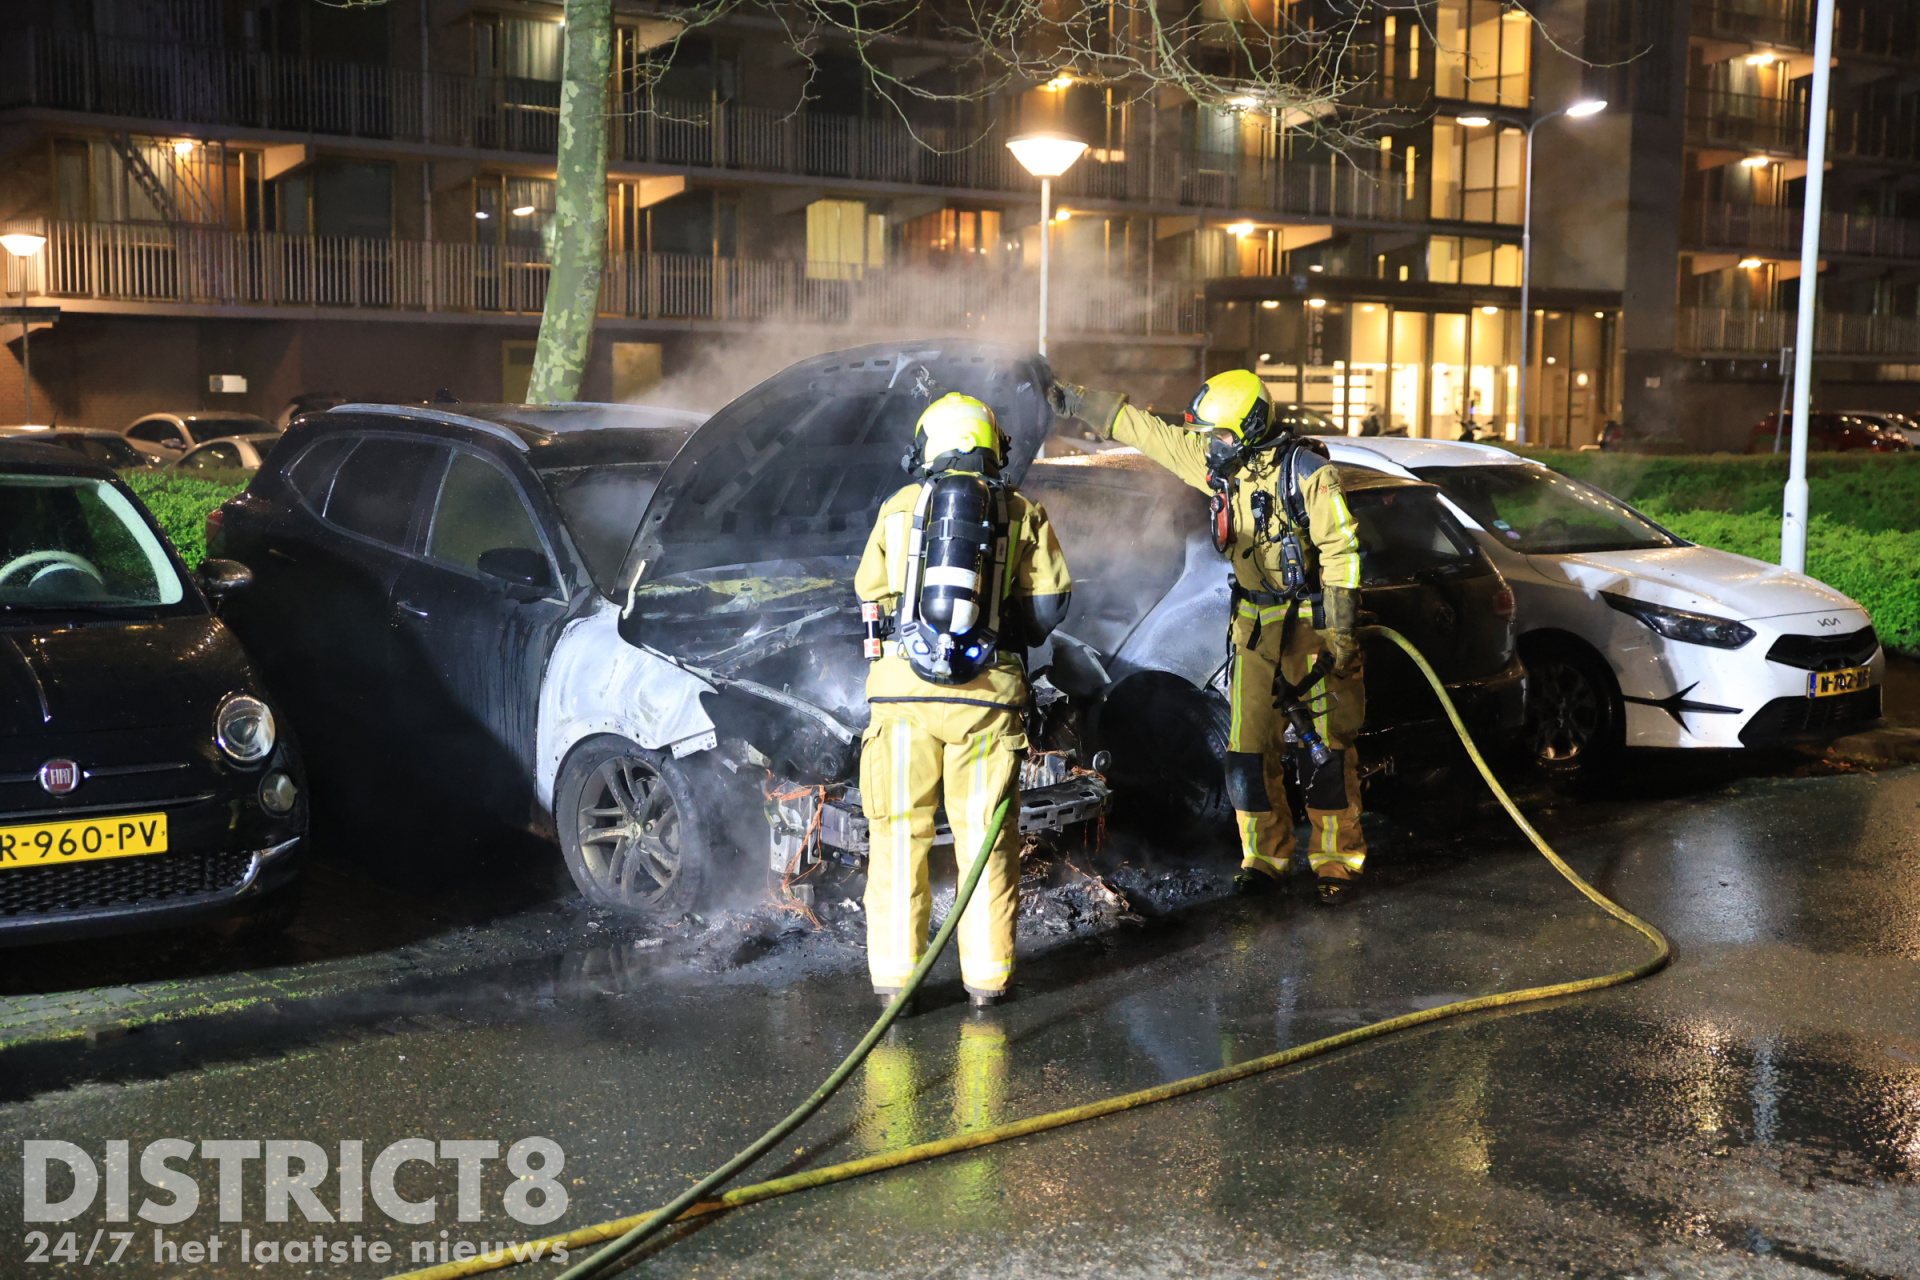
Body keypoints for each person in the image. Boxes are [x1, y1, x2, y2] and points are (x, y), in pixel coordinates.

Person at [1050, 371, 1368, 905]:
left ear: (1250, 427)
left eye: (1218, 435)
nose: (1209, 446)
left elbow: (1343, 553)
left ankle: (1337, 860)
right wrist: (1078, 400)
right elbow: (1151, 433)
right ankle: (1265, 859)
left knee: (1327, 755)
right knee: (1246, 753)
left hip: (1311, 627)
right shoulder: (1223, 466)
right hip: (1254, 627)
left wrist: (1340, 635)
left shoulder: (1309, 475)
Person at [854, 393, 1072, 1009]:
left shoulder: (899, 508)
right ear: (992, 446)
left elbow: (870, 592)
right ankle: (987, 982)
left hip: (902, 698)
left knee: (900, 836)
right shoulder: (1023, 511)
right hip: (988, 701)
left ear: (929, 447)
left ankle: (896, 986)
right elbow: (1049, 606)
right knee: (984, 844)